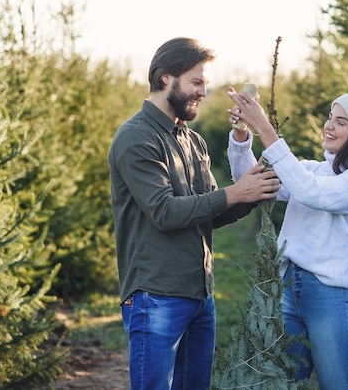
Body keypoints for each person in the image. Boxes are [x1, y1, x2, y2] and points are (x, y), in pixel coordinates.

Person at [108, 37, 280, 390]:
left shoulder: (193, 141)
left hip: (200, 295)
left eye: (206, 83)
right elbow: (165, 212)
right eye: (196, 82)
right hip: (155, 295)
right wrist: (234, 193)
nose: (204, 92)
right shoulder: (136, 137)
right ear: (165, 78)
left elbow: (209, 212)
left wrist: (251, 191)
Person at [226, 85, 348, 389]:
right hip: (290, 290)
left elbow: (311, 193)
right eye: (330, 117)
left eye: (341, 122)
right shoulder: (313, 171)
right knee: (284, 383)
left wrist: (266, 128)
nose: (329, 125)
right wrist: (244, 135)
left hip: (331, 298)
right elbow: (251, 181)